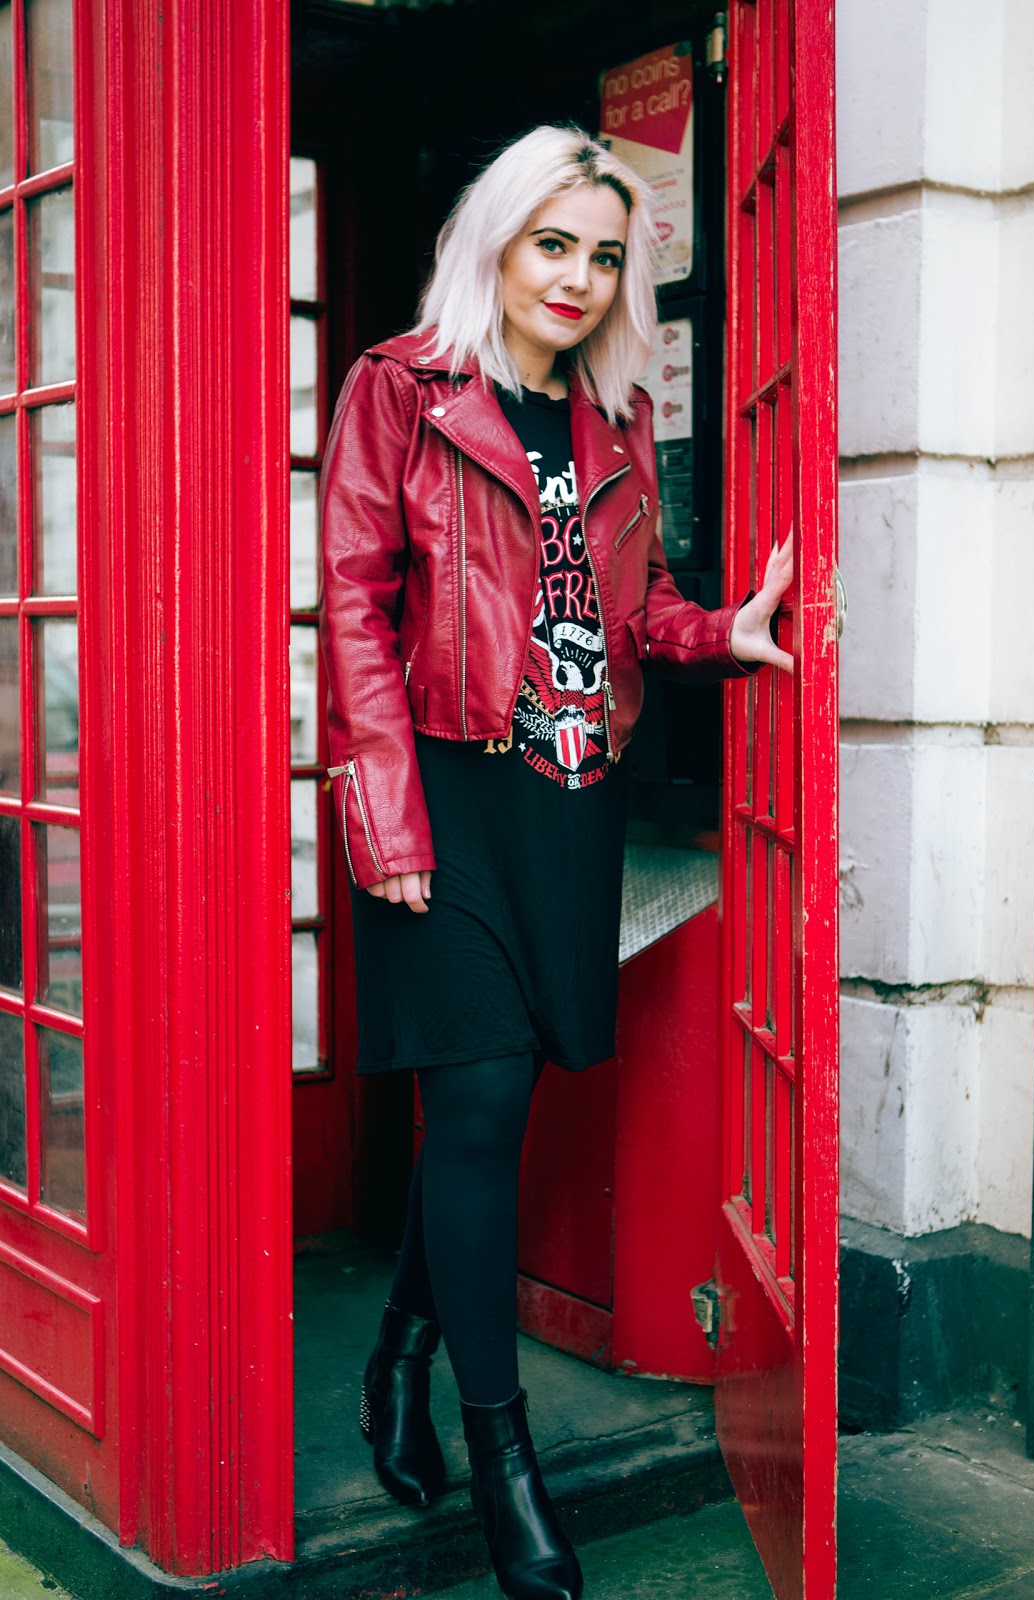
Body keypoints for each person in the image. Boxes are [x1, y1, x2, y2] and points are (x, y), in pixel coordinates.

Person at [318, 122, 792, 1600]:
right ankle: (504, 1461)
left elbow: (625, 614)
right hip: (445, 795)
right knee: (473, 1108)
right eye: (552, 244)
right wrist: (385, 817)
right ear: (498, 243)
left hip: (569, 802)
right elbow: (352, 608)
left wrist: (725, 633)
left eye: (603, 253)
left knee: (497, 1107)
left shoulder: (615, 418)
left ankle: (399, 1356)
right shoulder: (402, 389)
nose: (578, 276)